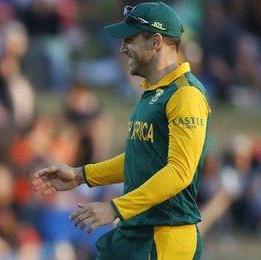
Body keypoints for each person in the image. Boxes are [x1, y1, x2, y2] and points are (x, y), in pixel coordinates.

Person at [31, 2, 210, 259]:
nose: (123, 47)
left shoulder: (185, 94)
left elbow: (179, 172)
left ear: (156, 41)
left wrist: (115, 208)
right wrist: (81, 175)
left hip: (164, 238)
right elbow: (142, 159)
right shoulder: (153, 92)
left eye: (130, 39)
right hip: (136, 232)